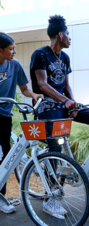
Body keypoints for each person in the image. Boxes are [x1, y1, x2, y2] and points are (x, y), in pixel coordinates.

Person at [30, 15, 89, 218]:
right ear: (60, 34)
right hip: (47, 108)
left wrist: (73, 104)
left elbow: (67, 85)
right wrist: (64, 101)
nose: (70, 38)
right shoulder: (40, 54)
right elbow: (42, 84)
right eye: (68, 34)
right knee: (56, 146)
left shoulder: (65, 58)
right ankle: (49, 199)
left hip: (63, 105)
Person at [0, 32, 44, 214]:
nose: (14, 51)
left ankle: (0, 197)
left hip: (5, 115)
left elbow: (24, 89)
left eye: (14, 48)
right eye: (11, 49)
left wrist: (33, 95)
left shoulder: (14, 65)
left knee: (5, 157)